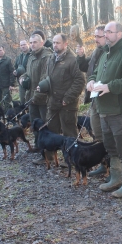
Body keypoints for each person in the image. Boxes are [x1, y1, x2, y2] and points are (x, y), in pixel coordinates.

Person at [87, 21, 122, 197]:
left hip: (121, 109)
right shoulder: (105, 53)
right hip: (104, 108)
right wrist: (92, 81)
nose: (106, 35)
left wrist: (109, 87)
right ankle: (115, 178)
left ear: (120, 34)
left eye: (110, 32)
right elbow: (96, 73)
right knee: (110, 146)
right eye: (105, 32)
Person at [43, 33, 85, 165]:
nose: (55, 45)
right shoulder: (51, 58)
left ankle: (73, 161)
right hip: (53, 102)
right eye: (54, 42)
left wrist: (68, 98)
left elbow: (80, 81)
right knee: (51, 130)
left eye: (58, 43)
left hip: (67, 105)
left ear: (65, 44)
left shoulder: (73, 60)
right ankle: (49, 158)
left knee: (69, 133)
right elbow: (47, 77)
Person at [76, 25, 107, 175]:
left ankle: (113, 170)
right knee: (98, 135)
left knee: (108, 136)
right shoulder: (97, 51)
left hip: (105, 99)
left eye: (98, 36)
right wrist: (81, 55)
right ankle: (104, 165)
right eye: (95, 36)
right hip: (94, 99)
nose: (95, 39)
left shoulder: (110, 52)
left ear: (107, 36)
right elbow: (84, 67)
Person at [19, 32, 53, 157]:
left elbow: (46, 78)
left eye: (35, 42)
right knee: (34, 123)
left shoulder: (47, 56)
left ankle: (48, 153)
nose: (33, 45)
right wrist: (22, 78)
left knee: (45, 125)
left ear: (42, 42)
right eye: (31, 42)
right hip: (32, 98)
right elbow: (27, 73)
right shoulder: (31, 57)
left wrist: (36, 96)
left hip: (43, 98)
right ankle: (38, 146)